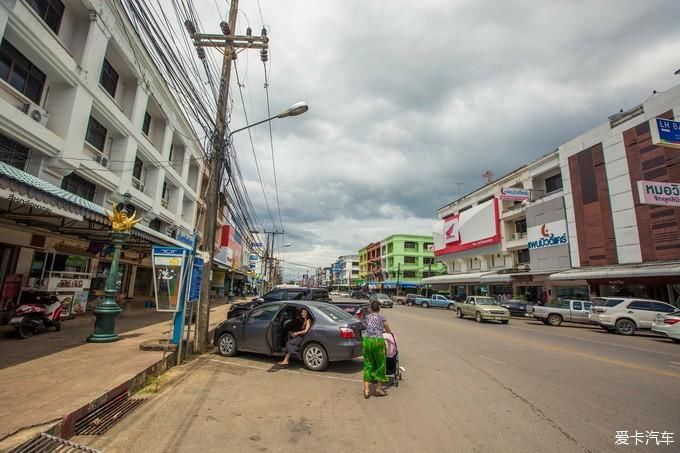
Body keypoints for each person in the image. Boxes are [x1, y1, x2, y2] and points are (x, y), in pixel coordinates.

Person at [363, 300, 392, 399]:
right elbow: (388, 328)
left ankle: (366, 390)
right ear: (379, 308)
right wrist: (388, 332)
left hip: (367, 341)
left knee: (368, 364)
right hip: (378, 342)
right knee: (380, 364)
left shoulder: (367, 317)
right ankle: (378, 389)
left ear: (371, 308)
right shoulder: (381, 317)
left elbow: (366, 327)